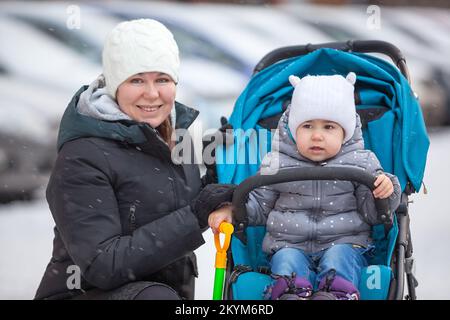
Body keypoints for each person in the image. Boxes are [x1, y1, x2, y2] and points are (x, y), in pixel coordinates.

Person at [34, 19, 234, 300]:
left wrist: (219, 174)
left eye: (162, 79)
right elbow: (103, 265)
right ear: (115, 85)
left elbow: (176, 209)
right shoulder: (82, 157)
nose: (152, 93)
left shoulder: (173, 138)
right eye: (137, 80)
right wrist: (195, 215)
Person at [208, 72, 401, 300]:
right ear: (293, 129)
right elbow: (258, 206)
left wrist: (384, 191)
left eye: (329, 127)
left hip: (345, 241)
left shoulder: (361, 162)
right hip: (288, 243)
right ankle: (290, 293)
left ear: (345, 132)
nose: (317, 136)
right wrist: (233, 209)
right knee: (286, 258)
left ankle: (335, 294)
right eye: (308, 126)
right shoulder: (277, 162)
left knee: (338, 257)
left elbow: (373, 213)